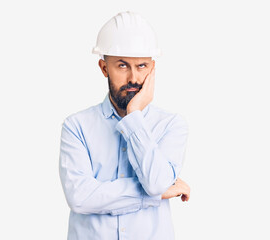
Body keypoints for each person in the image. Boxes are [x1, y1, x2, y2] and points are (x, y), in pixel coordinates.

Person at [59, 11, 190, 240]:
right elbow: (80, 198)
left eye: (141, 66)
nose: (133, 78)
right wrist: (153, 196)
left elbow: (156, 183)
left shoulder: (171, 125)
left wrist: (134, 118)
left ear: (152, 69)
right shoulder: (76, 127)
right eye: (122, 65)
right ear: (103, 68)